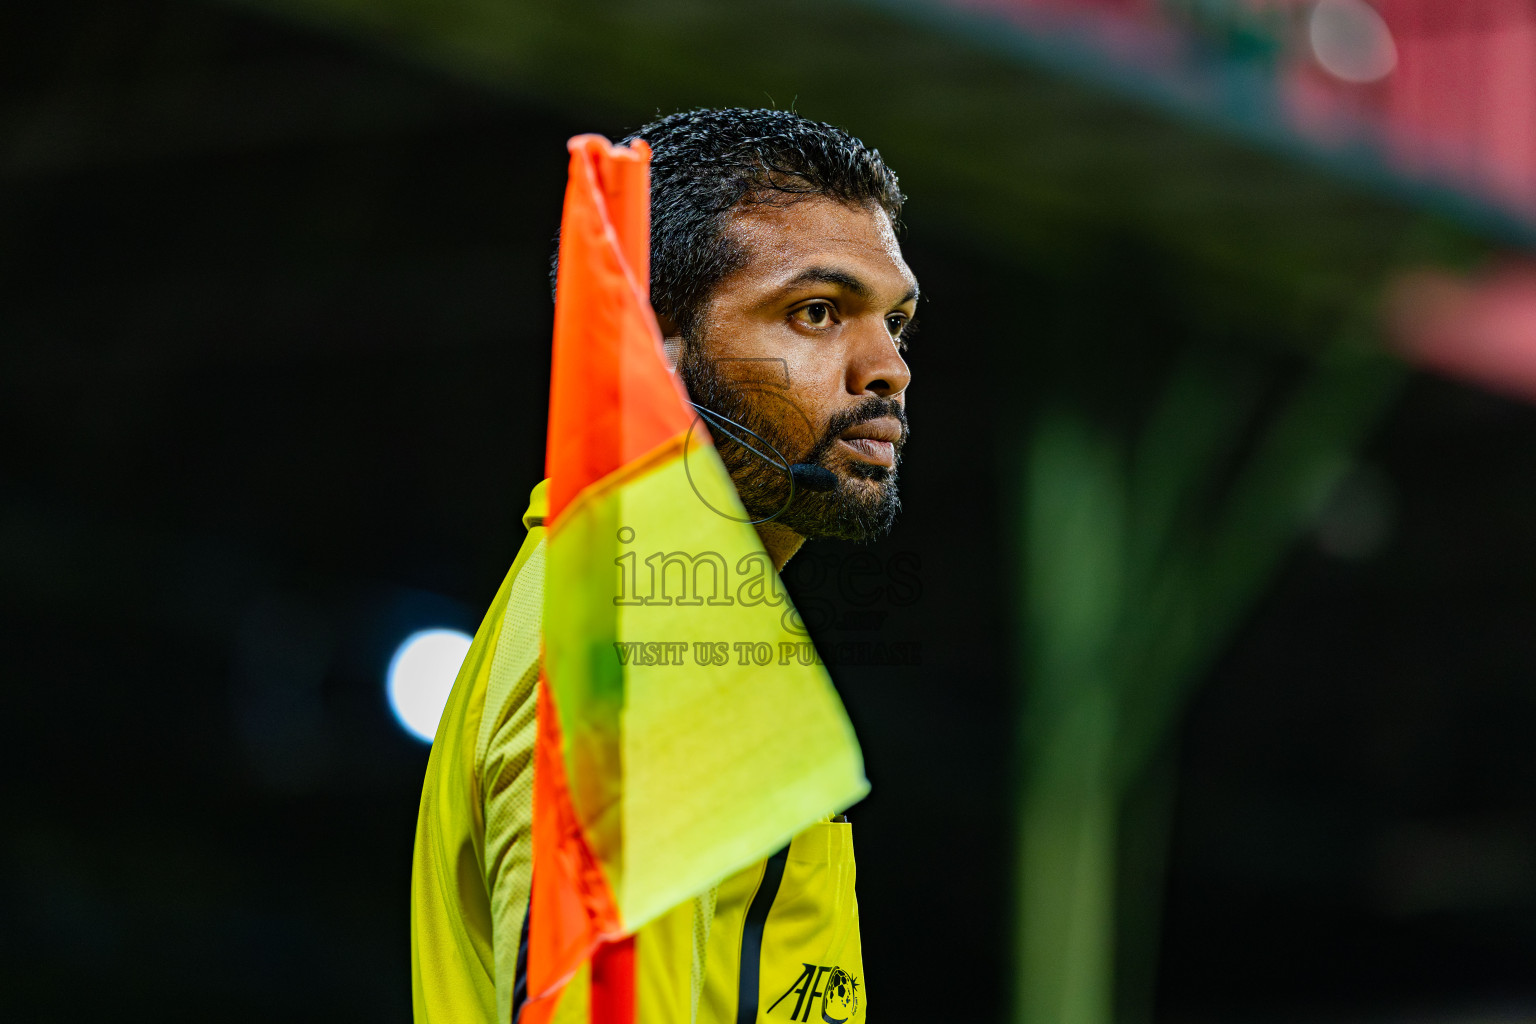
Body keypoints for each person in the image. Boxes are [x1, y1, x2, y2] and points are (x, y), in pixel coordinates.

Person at [411, 107, 917, 1024]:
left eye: (896, 323)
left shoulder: (686, 619)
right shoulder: (624, 643)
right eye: (817, 313)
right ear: (655, 343)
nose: (888, 368)